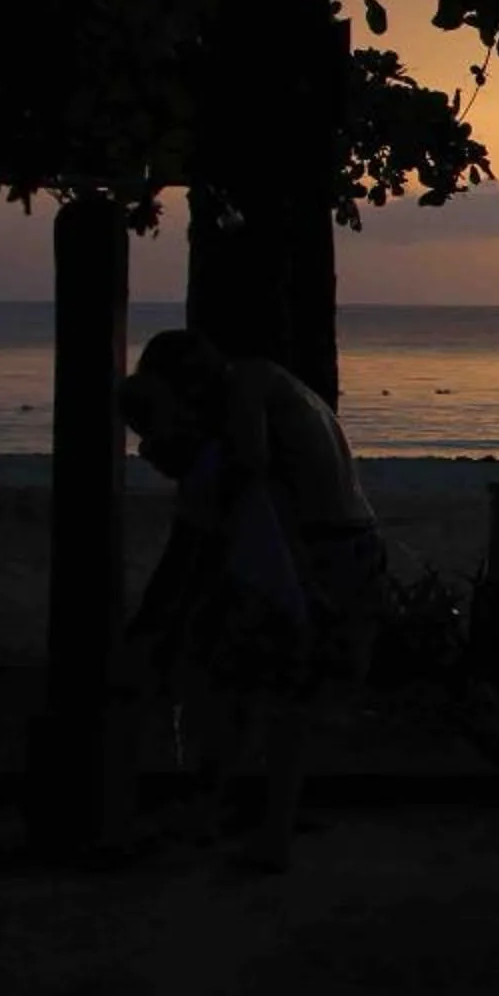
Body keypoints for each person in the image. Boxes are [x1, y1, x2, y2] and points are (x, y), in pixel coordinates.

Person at [117, 329, 387, 872]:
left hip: (324, 552)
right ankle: (233, 813)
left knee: (276, 693)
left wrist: (170, 605)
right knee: (250, 685)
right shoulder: (269, 386)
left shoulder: (247, 390)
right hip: (349, 544)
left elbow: (246, 470)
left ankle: (267, 834)